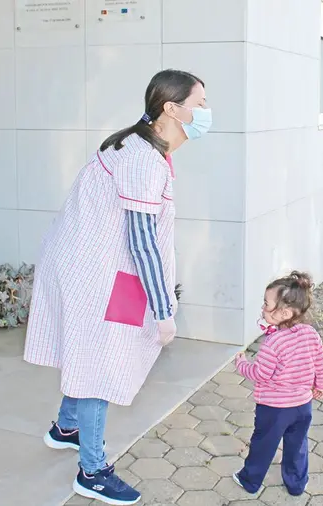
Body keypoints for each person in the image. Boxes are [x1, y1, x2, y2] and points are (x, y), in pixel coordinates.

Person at [22, 69, 211, 506]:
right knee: (99, 366)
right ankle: (92, 471)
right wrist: (165, 310)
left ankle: (65, 427)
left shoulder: (143, 147)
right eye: (199, 105)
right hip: (93, 276)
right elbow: (142, 240)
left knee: (94, 354)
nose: (205, 113)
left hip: (107, 272)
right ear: (171, 109)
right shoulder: (142, 159)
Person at [232, 271, 323, 497]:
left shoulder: (273, 343)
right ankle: (296, 484)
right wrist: (321, 385)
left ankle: (250, 480)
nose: (263, 308)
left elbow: (261, 374)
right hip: (302, 406)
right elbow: (320, 362)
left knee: (263, 444)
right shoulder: (310, 334)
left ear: (284, 312)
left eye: (267, 304)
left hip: (274, 409)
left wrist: (242, 364)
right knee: (297, 446)